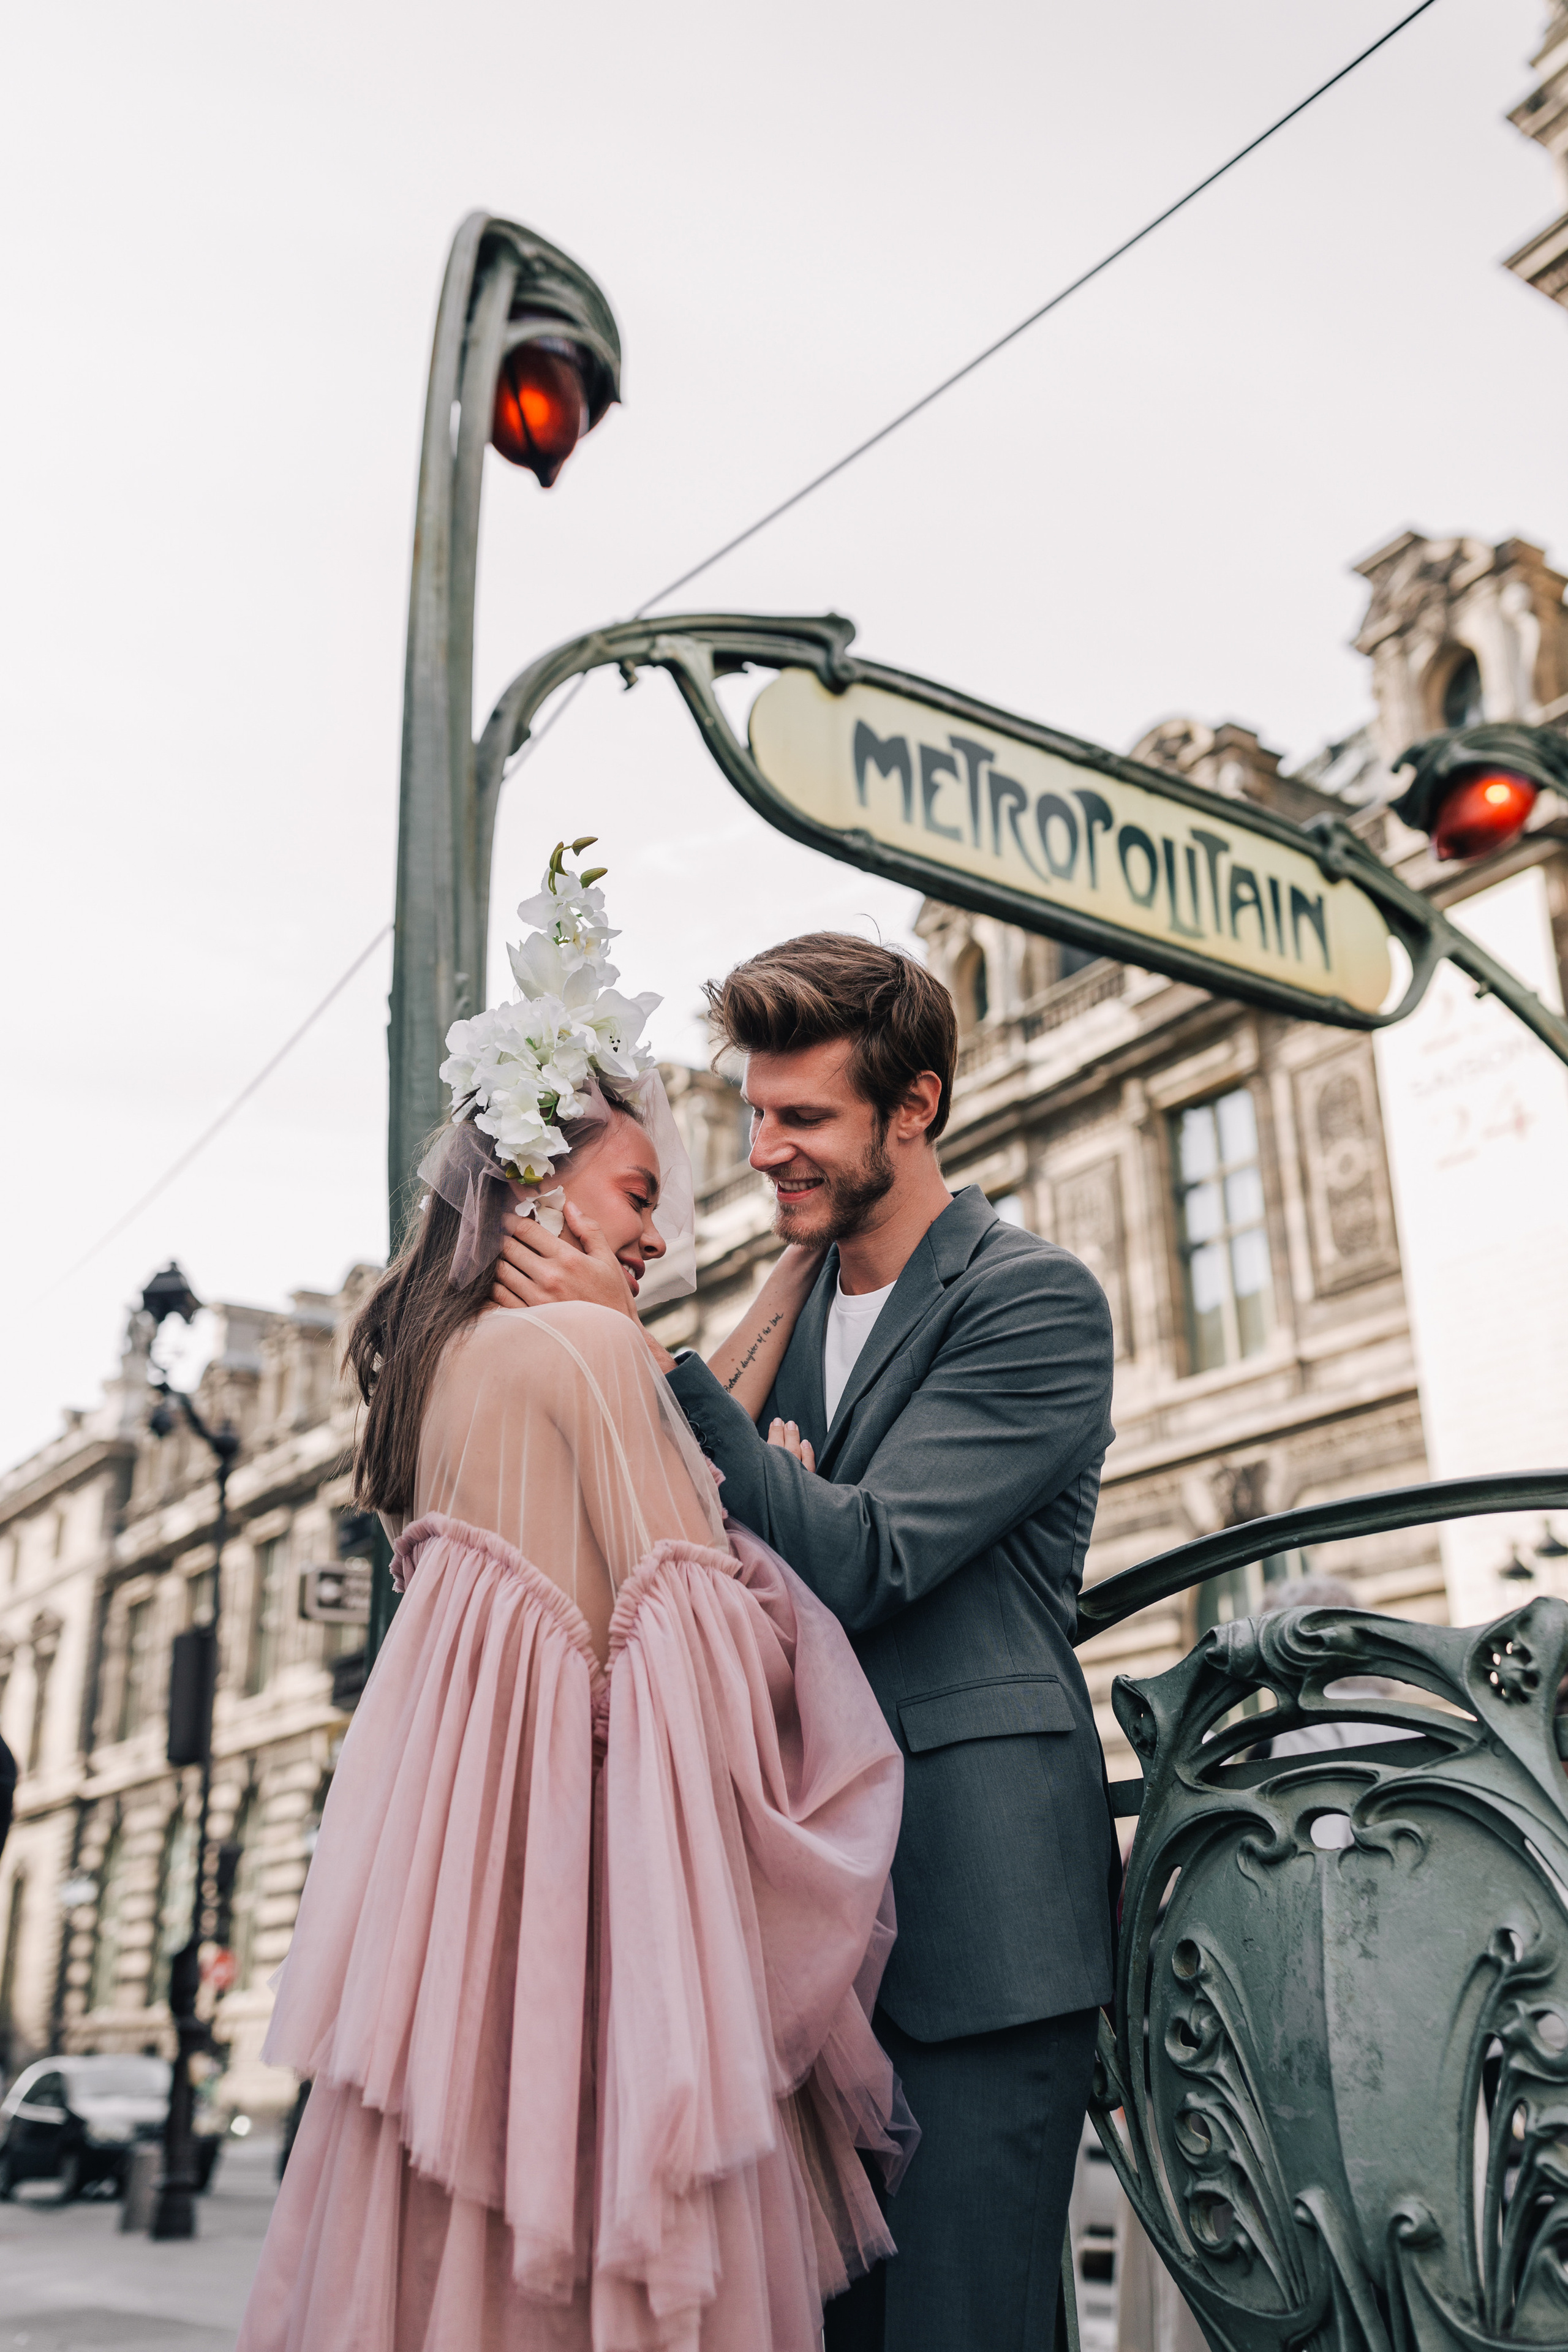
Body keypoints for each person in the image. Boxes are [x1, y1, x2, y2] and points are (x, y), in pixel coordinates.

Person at [236, 855, 915, 2352]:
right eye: (639, 1195)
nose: (658, 1235)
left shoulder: (436, 1381)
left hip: (461, 1949)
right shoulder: (595, 1363)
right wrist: (770, 1526)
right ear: (541, 1186)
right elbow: (711, 1685)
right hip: (608, 1948)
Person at [492, 931, 1121, 2352]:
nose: (767, 1150)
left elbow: (869, 1556)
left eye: (806, 1119)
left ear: (916, 1107)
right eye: (756, 1114)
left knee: (967, 2327)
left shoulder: (1031, 1301)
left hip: (975, 1917)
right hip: (793, 1932)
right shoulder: (766, 1329)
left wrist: (648, 1368)